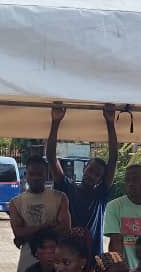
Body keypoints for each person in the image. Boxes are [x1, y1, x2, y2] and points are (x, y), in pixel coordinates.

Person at [47, 105, 118, 254]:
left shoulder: (100, 196)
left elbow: (113, 160)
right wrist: (55, 121)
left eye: (97, 174)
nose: (92, 175)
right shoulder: (66, 188)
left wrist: (110, 123)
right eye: (91, 170)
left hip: (94, 259)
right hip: (69, 257)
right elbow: (52, 159)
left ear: (100, 180)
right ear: (85, 168)